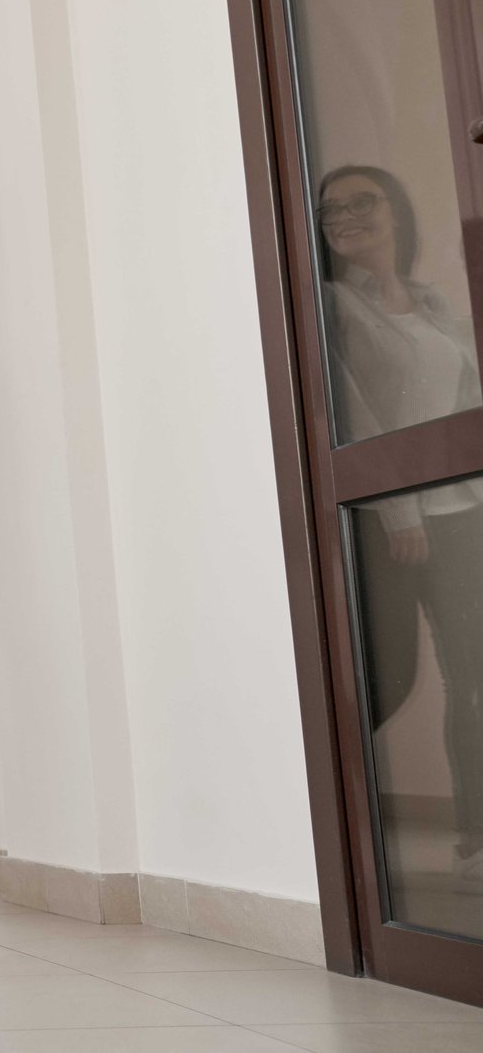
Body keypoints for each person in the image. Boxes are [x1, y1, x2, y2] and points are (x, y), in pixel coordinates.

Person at [318, 164, 483, 895]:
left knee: (474, 682)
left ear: (398, 212)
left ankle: (476, 842)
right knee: (387, 680)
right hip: (389, 520)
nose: (348, 215)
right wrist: (401, 509)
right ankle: (322, 826)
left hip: (462, 515)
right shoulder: (332, 306)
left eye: (365, 202)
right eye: (333, 209)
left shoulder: (437, 304)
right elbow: (352, 411)